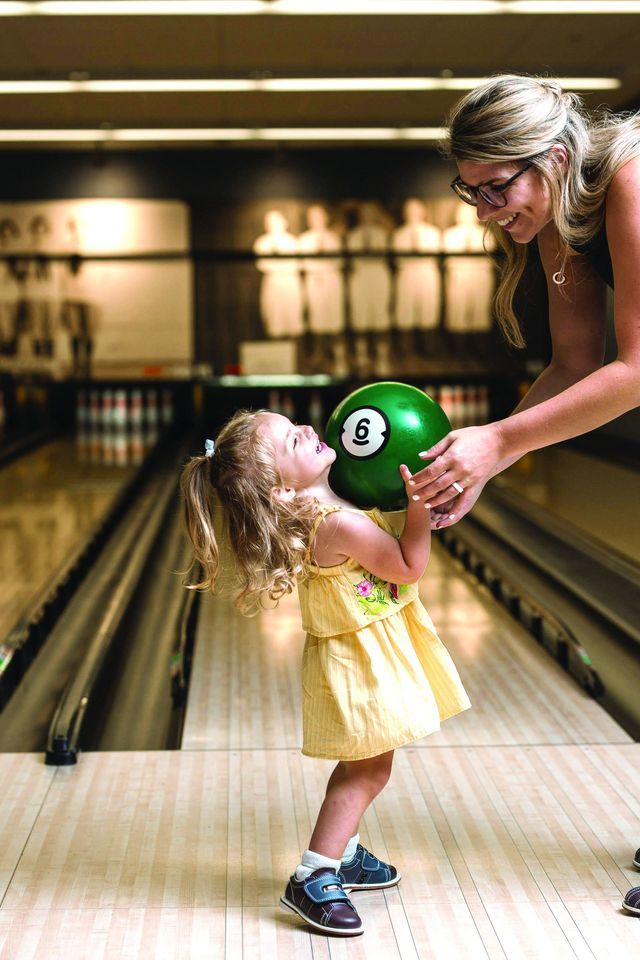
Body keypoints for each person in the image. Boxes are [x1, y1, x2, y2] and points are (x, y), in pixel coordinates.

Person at [180, 409, 470, 937]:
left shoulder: (324, 507)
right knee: (368, 772)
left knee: (361, 765)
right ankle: (314, 875)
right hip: (364, 662)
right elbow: (408, 567)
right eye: (294, 440)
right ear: (281, 490)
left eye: (297, 424)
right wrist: (419, 507)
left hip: (358, 654)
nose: (310, 430)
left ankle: (347, 854)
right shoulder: (336, 523)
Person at [409, 73, 640, 531]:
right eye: (472, 190)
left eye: (496, 187)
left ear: (555, 160)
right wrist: (483, 468)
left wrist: (497, 440)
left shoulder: (631, 179)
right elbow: (573, 363)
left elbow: (637, 372)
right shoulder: (557, 210)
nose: (483, 210)